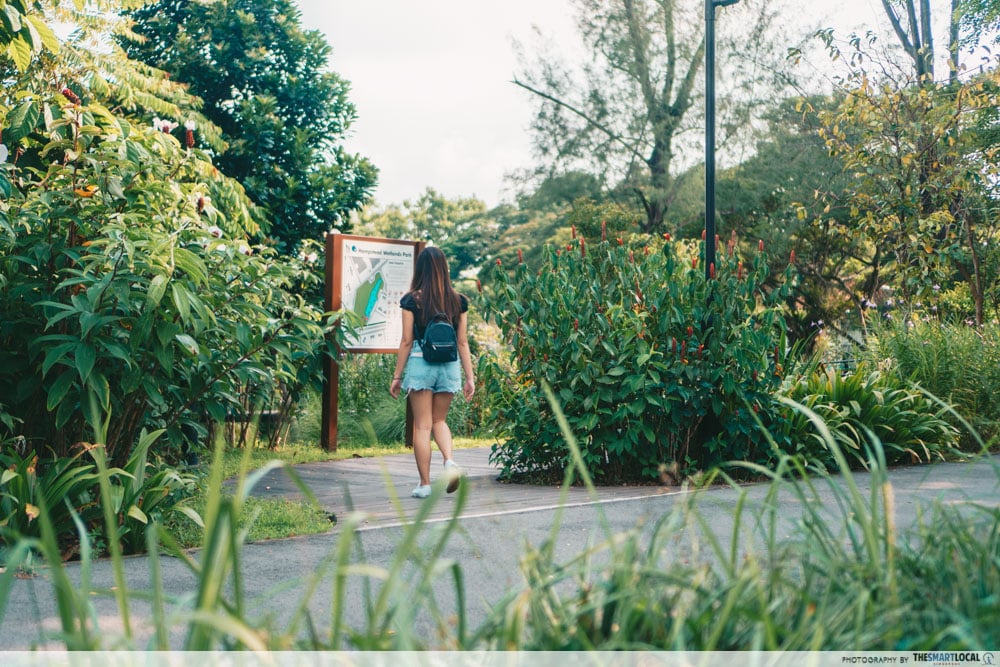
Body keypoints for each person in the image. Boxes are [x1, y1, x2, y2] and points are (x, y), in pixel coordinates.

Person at [389, 246, 475, 498]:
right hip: (449, 366)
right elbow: (462, 342)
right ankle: (449, 462)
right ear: (444, 269)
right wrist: (469, 376)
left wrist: (397, 376)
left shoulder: (412, 299)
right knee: (439, 421)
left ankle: (425, 484)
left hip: (420, 363)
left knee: (423, 426)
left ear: (421, 269)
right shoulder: (458, 301)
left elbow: (406, 340)